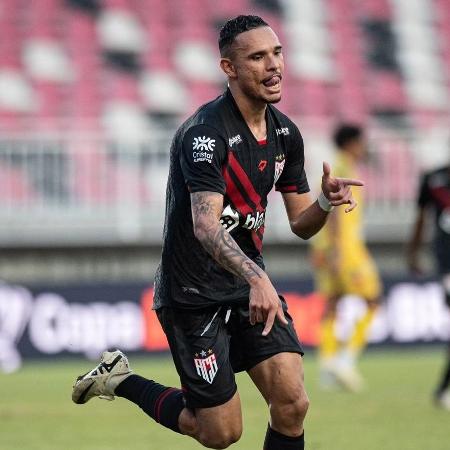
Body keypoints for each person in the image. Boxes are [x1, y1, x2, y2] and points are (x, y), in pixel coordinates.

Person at [72, 15, 362, 449]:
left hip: (246, 284)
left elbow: (302, 224)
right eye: (258, 57)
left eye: (277, 53)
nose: (274, 66)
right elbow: (206, 227)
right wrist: (258, 278)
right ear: (229, 68)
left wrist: (323, 202)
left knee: (293, 403)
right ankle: (122, 379)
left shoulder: (286, 133)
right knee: (220, 433)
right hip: (192, 293)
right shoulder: (205, 134)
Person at [310, 124, 382, 392]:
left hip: (327, 247)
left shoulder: (338, 165)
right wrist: (338, 250)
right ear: (352, 143)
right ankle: (346, 361)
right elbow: (336, 209)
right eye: (362, 142)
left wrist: (324, 249)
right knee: (373, 301)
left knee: (333, 303)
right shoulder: (343, 168)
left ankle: (328, 366)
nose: (364, 148)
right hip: (346, 249)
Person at [407, 160, 450, 410]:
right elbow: (421, 217)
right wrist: (413, 252)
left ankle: (443, 389)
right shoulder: (434, 179)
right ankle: (443, 390)